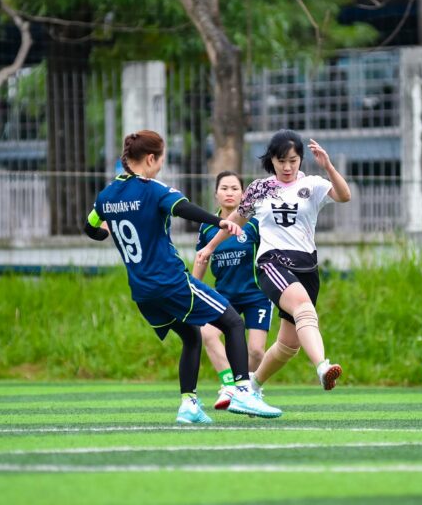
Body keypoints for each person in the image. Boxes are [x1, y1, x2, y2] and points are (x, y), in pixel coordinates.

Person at [84, 130, 282, 424]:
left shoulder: (106, 195)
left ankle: (188, 403)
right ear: (150, 158)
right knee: (232, 321)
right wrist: (221, 222)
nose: (161, 165)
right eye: (161, 159)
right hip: (171, 281)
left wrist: (106, 233)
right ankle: (242, 389)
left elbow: (89, 228)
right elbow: (184, 210)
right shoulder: (153, 189)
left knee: (191, 336)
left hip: (142, 292)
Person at [196, 129, 352, 398]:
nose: (287, 166)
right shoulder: (260, 188)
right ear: (272, 160)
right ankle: (322, 368)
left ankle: (252, 387)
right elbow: (236, 219)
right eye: (281, 161)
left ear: (301, 158)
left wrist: (328, 166)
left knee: (288, 345)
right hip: (273, 262)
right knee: (304, 308)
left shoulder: (313, 185)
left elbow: (344, 195)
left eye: (293, 160)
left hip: (306, 267)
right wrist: (210, 246)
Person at [192, 171, 273, 410]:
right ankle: (229, 384)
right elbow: (201, 258)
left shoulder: (255, 223)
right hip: (224, 296)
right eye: (224, 188)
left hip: (256, 295)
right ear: (216, 194)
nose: (229, 192)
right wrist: (193, 294)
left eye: (235, 188)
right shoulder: (207, 228)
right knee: (207, 333)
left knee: (257, 352)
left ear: (243, 194)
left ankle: (247, 392)